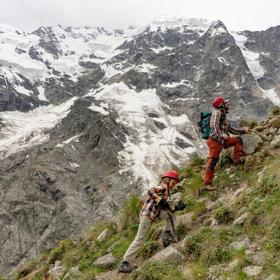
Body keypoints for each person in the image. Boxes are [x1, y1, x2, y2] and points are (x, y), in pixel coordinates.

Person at [118, 170, 186, 273]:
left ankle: (168, 235)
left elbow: (166, 207)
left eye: (175, 184)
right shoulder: (162, 187)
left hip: (153, 216)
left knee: (171, 215)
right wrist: (160, 200)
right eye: (173, 183)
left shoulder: (167, 194)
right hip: (147, 216)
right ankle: (125, 263)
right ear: (167, 180)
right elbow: (150, 191)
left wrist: (176, 208)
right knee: (140, 239)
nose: (174, 186)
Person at [203, 96, 250, 192]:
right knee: (213, 161)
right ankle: (207, 184)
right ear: (221, 105)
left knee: (238, 139)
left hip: (221, 141)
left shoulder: (223, 117)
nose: (227, 105)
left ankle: (236, 159)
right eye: (225, 103)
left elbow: (231, 129)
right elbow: (213, 126)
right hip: (215, 141)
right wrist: (222, 135)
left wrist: (244, 131)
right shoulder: (217, 113)